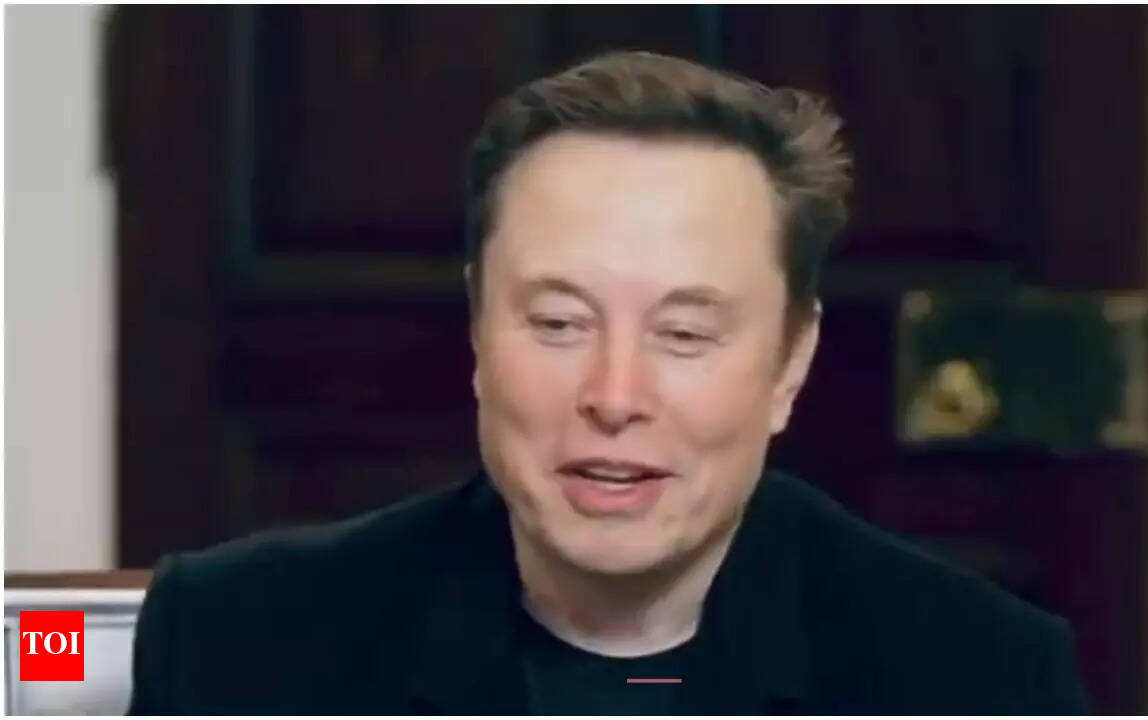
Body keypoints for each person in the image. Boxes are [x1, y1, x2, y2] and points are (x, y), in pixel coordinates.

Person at [128, 50, 1089, 715]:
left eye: (684, 333)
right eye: (559, 323)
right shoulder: (236, 643)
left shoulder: (979, 677)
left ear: (791, 363)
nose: (615, 395)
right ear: (478, 331)